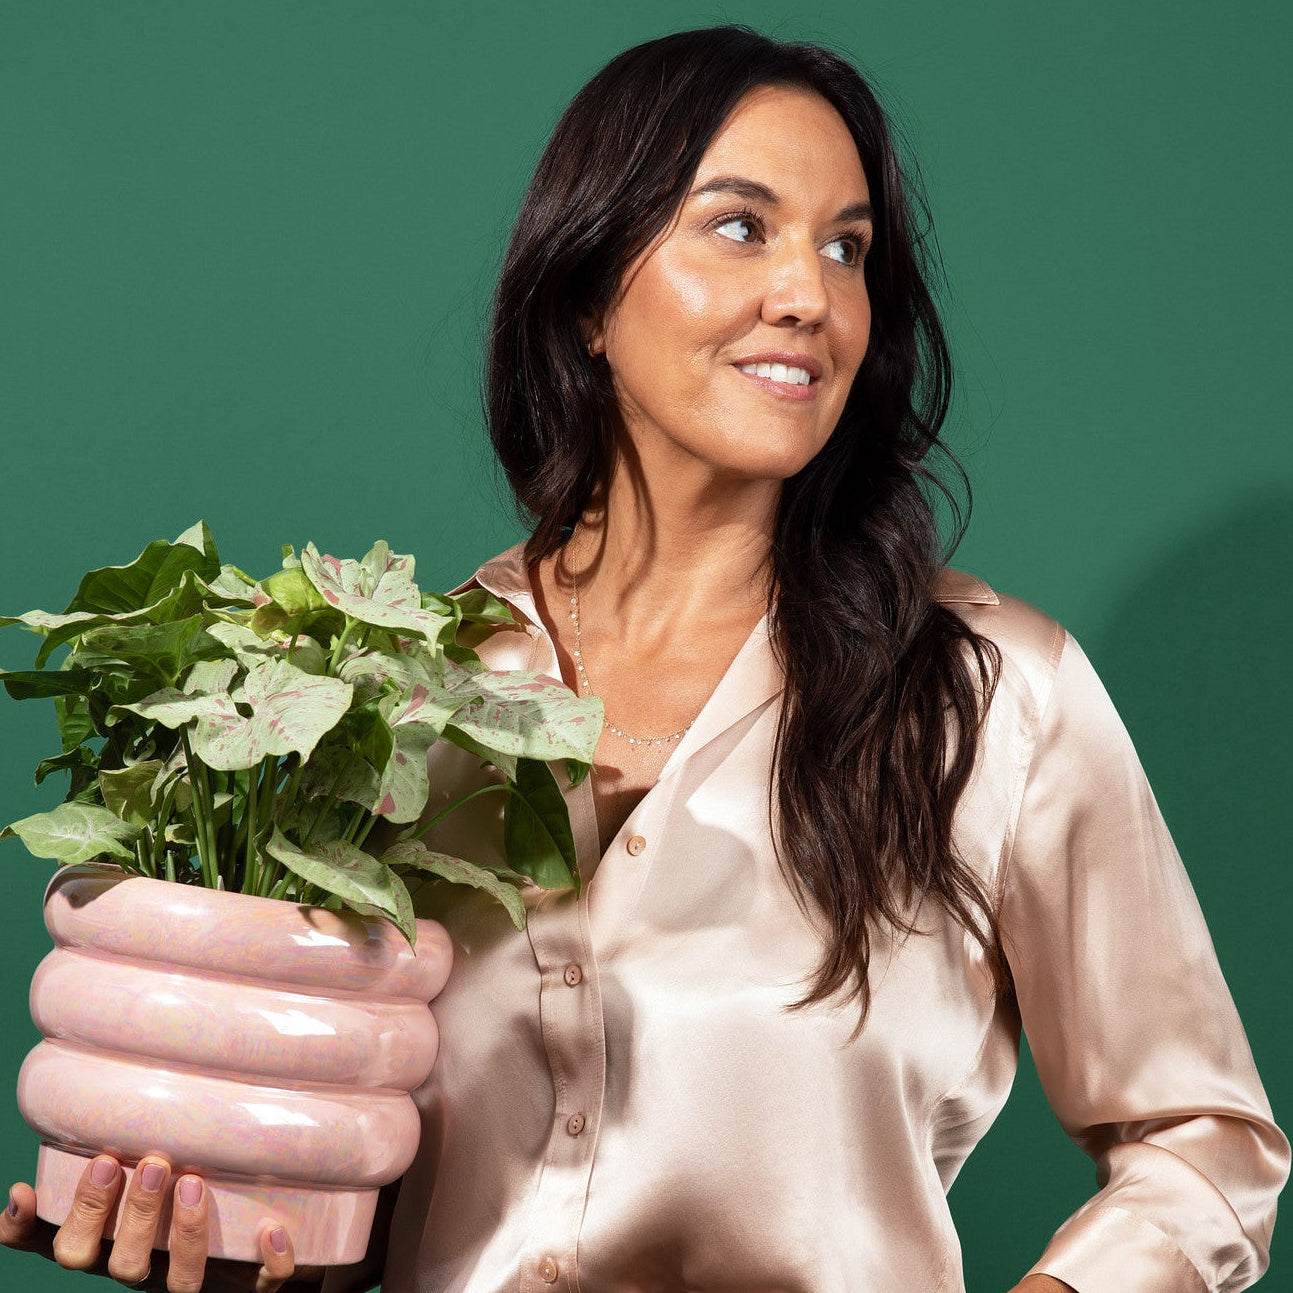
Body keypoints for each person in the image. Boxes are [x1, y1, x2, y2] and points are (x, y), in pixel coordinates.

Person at [2, 23, 1287, 1293]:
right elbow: (356, 1210)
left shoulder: (992, 696)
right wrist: (230, 1251)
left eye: (848, 249)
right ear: (582, 296)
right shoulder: (388, 698)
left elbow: (1209, 1146)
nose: (812, 295)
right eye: (743, 226)